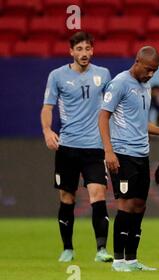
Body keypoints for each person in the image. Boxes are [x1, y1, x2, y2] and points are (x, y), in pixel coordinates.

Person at [98, 46, 159, 272]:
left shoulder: (146, 86)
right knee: (124, 204)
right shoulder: (119, 83)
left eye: (155, 70)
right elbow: (103, 117)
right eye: (148, 69)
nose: (151, 74)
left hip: (141, 154)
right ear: (137, 62)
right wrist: (108, 151)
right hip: (122, 153)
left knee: (139, 205)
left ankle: (132, 260)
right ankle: (118, 261)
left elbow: (139, 121)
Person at [41, 31, 114, 263]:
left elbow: (112, 107)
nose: (84, 54)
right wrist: (47, 130)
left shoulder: (103, 75)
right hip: (68, 147)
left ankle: (101, 250)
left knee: (97, 194)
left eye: (87, 49)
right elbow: (47, 107)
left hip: (94, 148)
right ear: (71, 51)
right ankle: (68, 248)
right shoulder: (57, 76)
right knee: (67, 197)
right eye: (79, 49)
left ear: (93, 50)